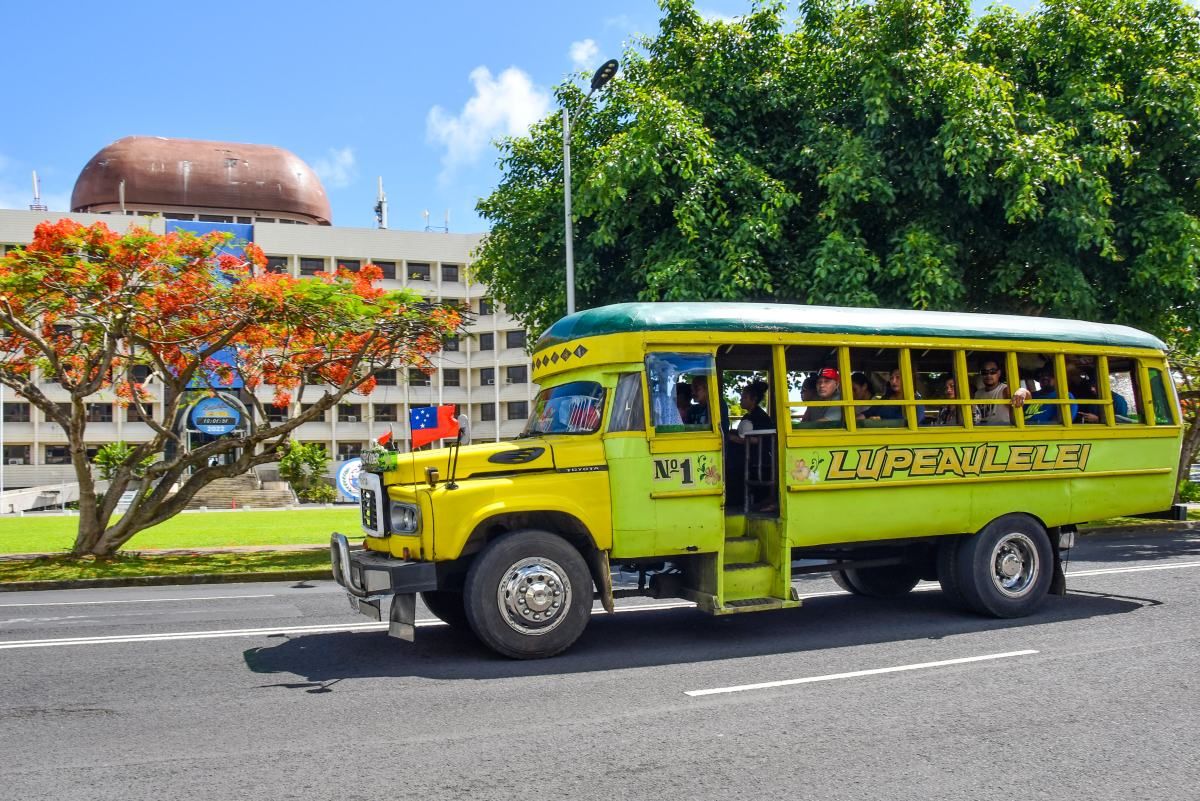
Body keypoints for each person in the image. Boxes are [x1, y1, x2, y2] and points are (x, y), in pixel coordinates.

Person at [973, 356, 1031, 424]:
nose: (988, 375)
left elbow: (1027, 396)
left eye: (992, 371)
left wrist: (1021, 392)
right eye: (984, 372)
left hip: (1002, 431)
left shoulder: (1004, 390)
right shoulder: (978, 394)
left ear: (999, 373)